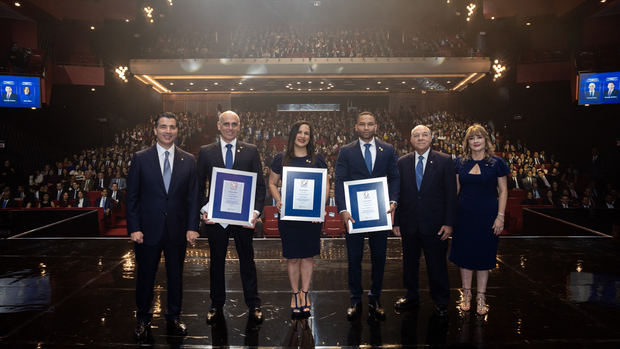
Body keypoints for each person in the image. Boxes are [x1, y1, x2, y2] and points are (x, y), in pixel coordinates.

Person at [126, 112, 199, 339]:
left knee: (176, 277)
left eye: (173, 127)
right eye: (163, 127)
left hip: (177, 230)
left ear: (178, 130)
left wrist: (192, 226)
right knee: (145, 276)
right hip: (147, 231)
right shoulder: (140, 158)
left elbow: (193, 197)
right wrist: (134, 227)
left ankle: (174, 317)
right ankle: (143, 319)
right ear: (155, 130)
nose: (168, 131)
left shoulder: (189, 159)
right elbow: (132, 197)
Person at [197, 110, 266, 325]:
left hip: (244, 218)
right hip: (217, 218)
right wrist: (203, 210)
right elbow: (198, 187)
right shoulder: (206, 151)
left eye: (234, 124)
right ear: (218, 125)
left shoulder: (251, 151)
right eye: (225, 123)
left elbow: (260, 187)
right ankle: (216, 304)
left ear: (239, 126)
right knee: (216, 261)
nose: (229, 127)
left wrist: (255, 213)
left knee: (247, 260)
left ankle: (254, 303)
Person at [335, 111, 400, 321]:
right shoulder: (346, 151)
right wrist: (343, 210)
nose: (365, 127)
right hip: (354, 215)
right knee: (354, 259)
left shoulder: (388, 149)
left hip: (380, 214)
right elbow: (339, 181)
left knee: (379, 258)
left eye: (369, 124)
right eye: (362, 124)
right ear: (355, 127)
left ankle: (375, 298)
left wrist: (393, 201)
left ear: (376, 126)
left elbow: (394, 178)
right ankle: (355, 299)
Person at [393, 124, 456, 317]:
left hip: (436, 225)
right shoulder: (401, 162)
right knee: (409, 264)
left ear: (431, 138)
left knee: (437, 264)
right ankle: (411, 296)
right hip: (409, 223)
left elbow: (451, 194)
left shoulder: (445, 161)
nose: (420, 138)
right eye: (416, 135)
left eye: (424, 135)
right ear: (411, 140)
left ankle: (441, 300)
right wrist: (396, 222)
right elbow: (398, 193)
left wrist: (449, 223)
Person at [268, 120, 328, 318]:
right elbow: (272, 184)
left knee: (308, 257)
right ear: (293, 135)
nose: (303, 136)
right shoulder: (280, 158)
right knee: (293, 257)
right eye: (300, 132)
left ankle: (305, 293)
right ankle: (295, 294)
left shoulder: (317, 159)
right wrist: (279, 201)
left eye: (307, 133)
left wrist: (319, 208)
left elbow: (326, 186)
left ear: (310, 138)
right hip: (289, 217)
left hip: (310, 219)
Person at [449, 124, 508, 316]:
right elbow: (455, 190)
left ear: (486, 140)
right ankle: (466, 294)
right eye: (472, 138)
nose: (476, 141)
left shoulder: (497, 162)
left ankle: (481, 296)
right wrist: (449, 216)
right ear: (467, 142)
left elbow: (503, 191)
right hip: (463, 216)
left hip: (488, 216)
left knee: (484, 255)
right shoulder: (460, 162)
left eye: (479, 137)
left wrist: (500, 216)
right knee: (464, 256)